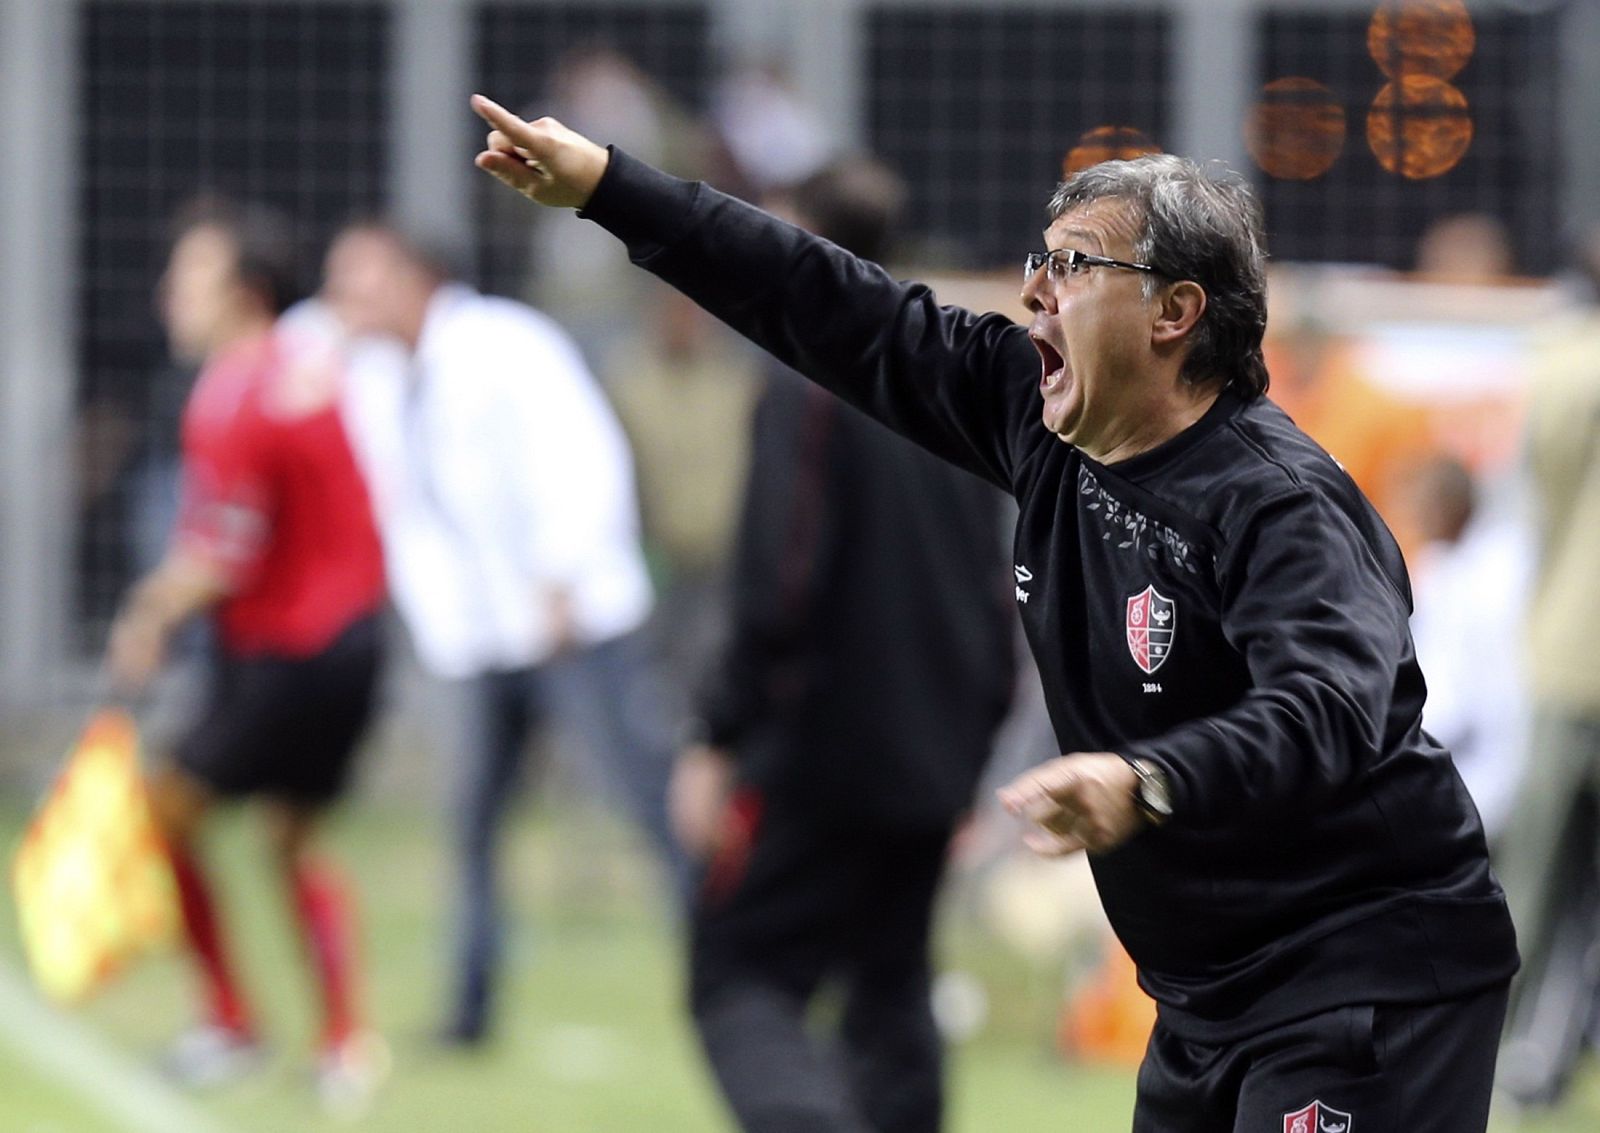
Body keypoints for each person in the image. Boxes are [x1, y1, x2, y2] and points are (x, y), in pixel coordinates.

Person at [469, 94, 1519, 1132]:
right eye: (1039, 261)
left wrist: (1148, 776)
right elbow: (825, 301)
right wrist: (610, 189)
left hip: (1368, 979)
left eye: (1072, 267)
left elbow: (1330, 706)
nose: (1033, 292)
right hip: (1208, 997)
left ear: (1174, 312)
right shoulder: (1038, 419)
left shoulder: (1277, 502)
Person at [668, 158, 1016, 1133]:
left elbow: (779, 579)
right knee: (890, 985)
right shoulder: (953, 372)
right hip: (933, 752)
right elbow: (998, 587)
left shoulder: (811, 375)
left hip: (823, 749)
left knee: (738, 976)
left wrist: (717, 732)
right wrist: (971, 750)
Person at [318, 221, 688, 1046]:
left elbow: (580, 453)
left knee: (647, 799)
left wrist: (562, 574)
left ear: (415, 276)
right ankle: (469, 1012)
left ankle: (737, 971)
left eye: (361, 279)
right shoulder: (376, 372)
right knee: (474, 821)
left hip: (571, 620)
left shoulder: (504, 343)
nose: (345, 299)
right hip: (481, 634)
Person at [105, 198, 388, 1110]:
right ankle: (345, 1042)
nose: (169, 294)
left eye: (191, 275)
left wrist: (146, 613)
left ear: (246, 294)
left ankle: (231, 1021)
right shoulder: (298, 372)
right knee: (289, 837)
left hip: (291, 649)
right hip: (347, 638)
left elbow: (221, 555)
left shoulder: (235, 390)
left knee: (165, 816)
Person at [1493, 229, 1600, 1110]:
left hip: (1572, 653)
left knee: (1536, 882)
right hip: (1571, 660)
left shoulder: (1564, 368)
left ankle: (1500, 1066)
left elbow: (1548, 489)